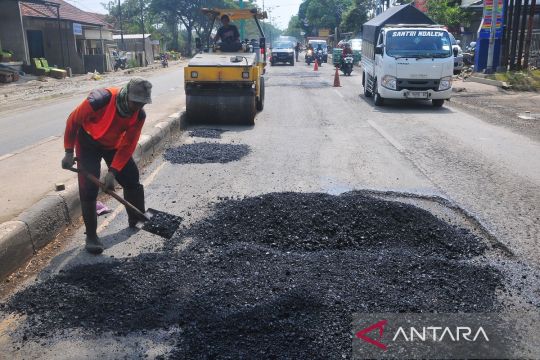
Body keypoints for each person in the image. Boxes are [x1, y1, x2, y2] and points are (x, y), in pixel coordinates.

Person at [61, 78, 152, 255]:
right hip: (88, 142)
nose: (137, 107)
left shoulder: (139, 115)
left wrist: (113, 171)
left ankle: (137, 217)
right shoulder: (99, 100)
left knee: (131, 179)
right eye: (135, 102)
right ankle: (92, 236)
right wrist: (68, 151)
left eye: (142, 104)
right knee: (88, 189)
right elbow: (73, 121)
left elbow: (128, 144)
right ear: (126, 96)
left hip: (114, 145)